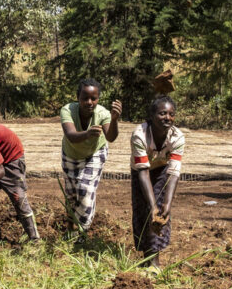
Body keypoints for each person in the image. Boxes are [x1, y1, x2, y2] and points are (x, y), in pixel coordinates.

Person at [60, 79, 122, 237]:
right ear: (77, 97)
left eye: (93, 98)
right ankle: (70, 227)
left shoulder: (103, 114)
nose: (89, 102)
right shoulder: (67, 110)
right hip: (71, 154)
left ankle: (82, 232)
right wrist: (88, 134)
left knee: (85, 190)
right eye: (85, 98)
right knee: (71, 194)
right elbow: (71, 135)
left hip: (95, 154)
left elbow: (111, 137)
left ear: (98, 99)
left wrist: (114, 119)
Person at [130, 95, 185, 268]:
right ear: (152, 115)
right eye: (162, 113)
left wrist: (167, 204)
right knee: (144, 209)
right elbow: (143, 171)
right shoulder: (140, 135)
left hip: (163, 170)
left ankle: (154, 262)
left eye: (171, 114)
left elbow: (174, 172)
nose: (167, 118)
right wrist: (151, 205)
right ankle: (147, 256)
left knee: (160, 210)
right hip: (141, 171)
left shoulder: (177, 137)